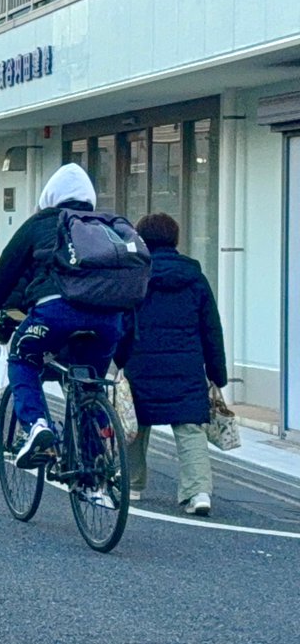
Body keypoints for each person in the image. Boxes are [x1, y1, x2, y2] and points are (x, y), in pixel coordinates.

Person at [0, 163, 126, 471]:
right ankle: (96, 467)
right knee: (89, 380)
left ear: (51, 196)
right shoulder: (109, 225)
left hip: (55, 313)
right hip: (107, 320)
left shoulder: (40, 224)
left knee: (22, 357)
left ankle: (37, 427)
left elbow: (4, 278)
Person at [114, 213, 226, 516]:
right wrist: (217, 373)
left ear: (141, 240)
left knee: (134, 426)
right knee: (190, 428)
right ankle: (198, 492)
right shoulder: (194, 278)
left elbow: (123, 323)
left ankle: (133, 485)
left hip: (142, 364)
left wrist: (119, 360)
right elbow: (211, 328)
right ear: (175, 239)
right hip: (187, 366)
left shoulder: (136, 276)